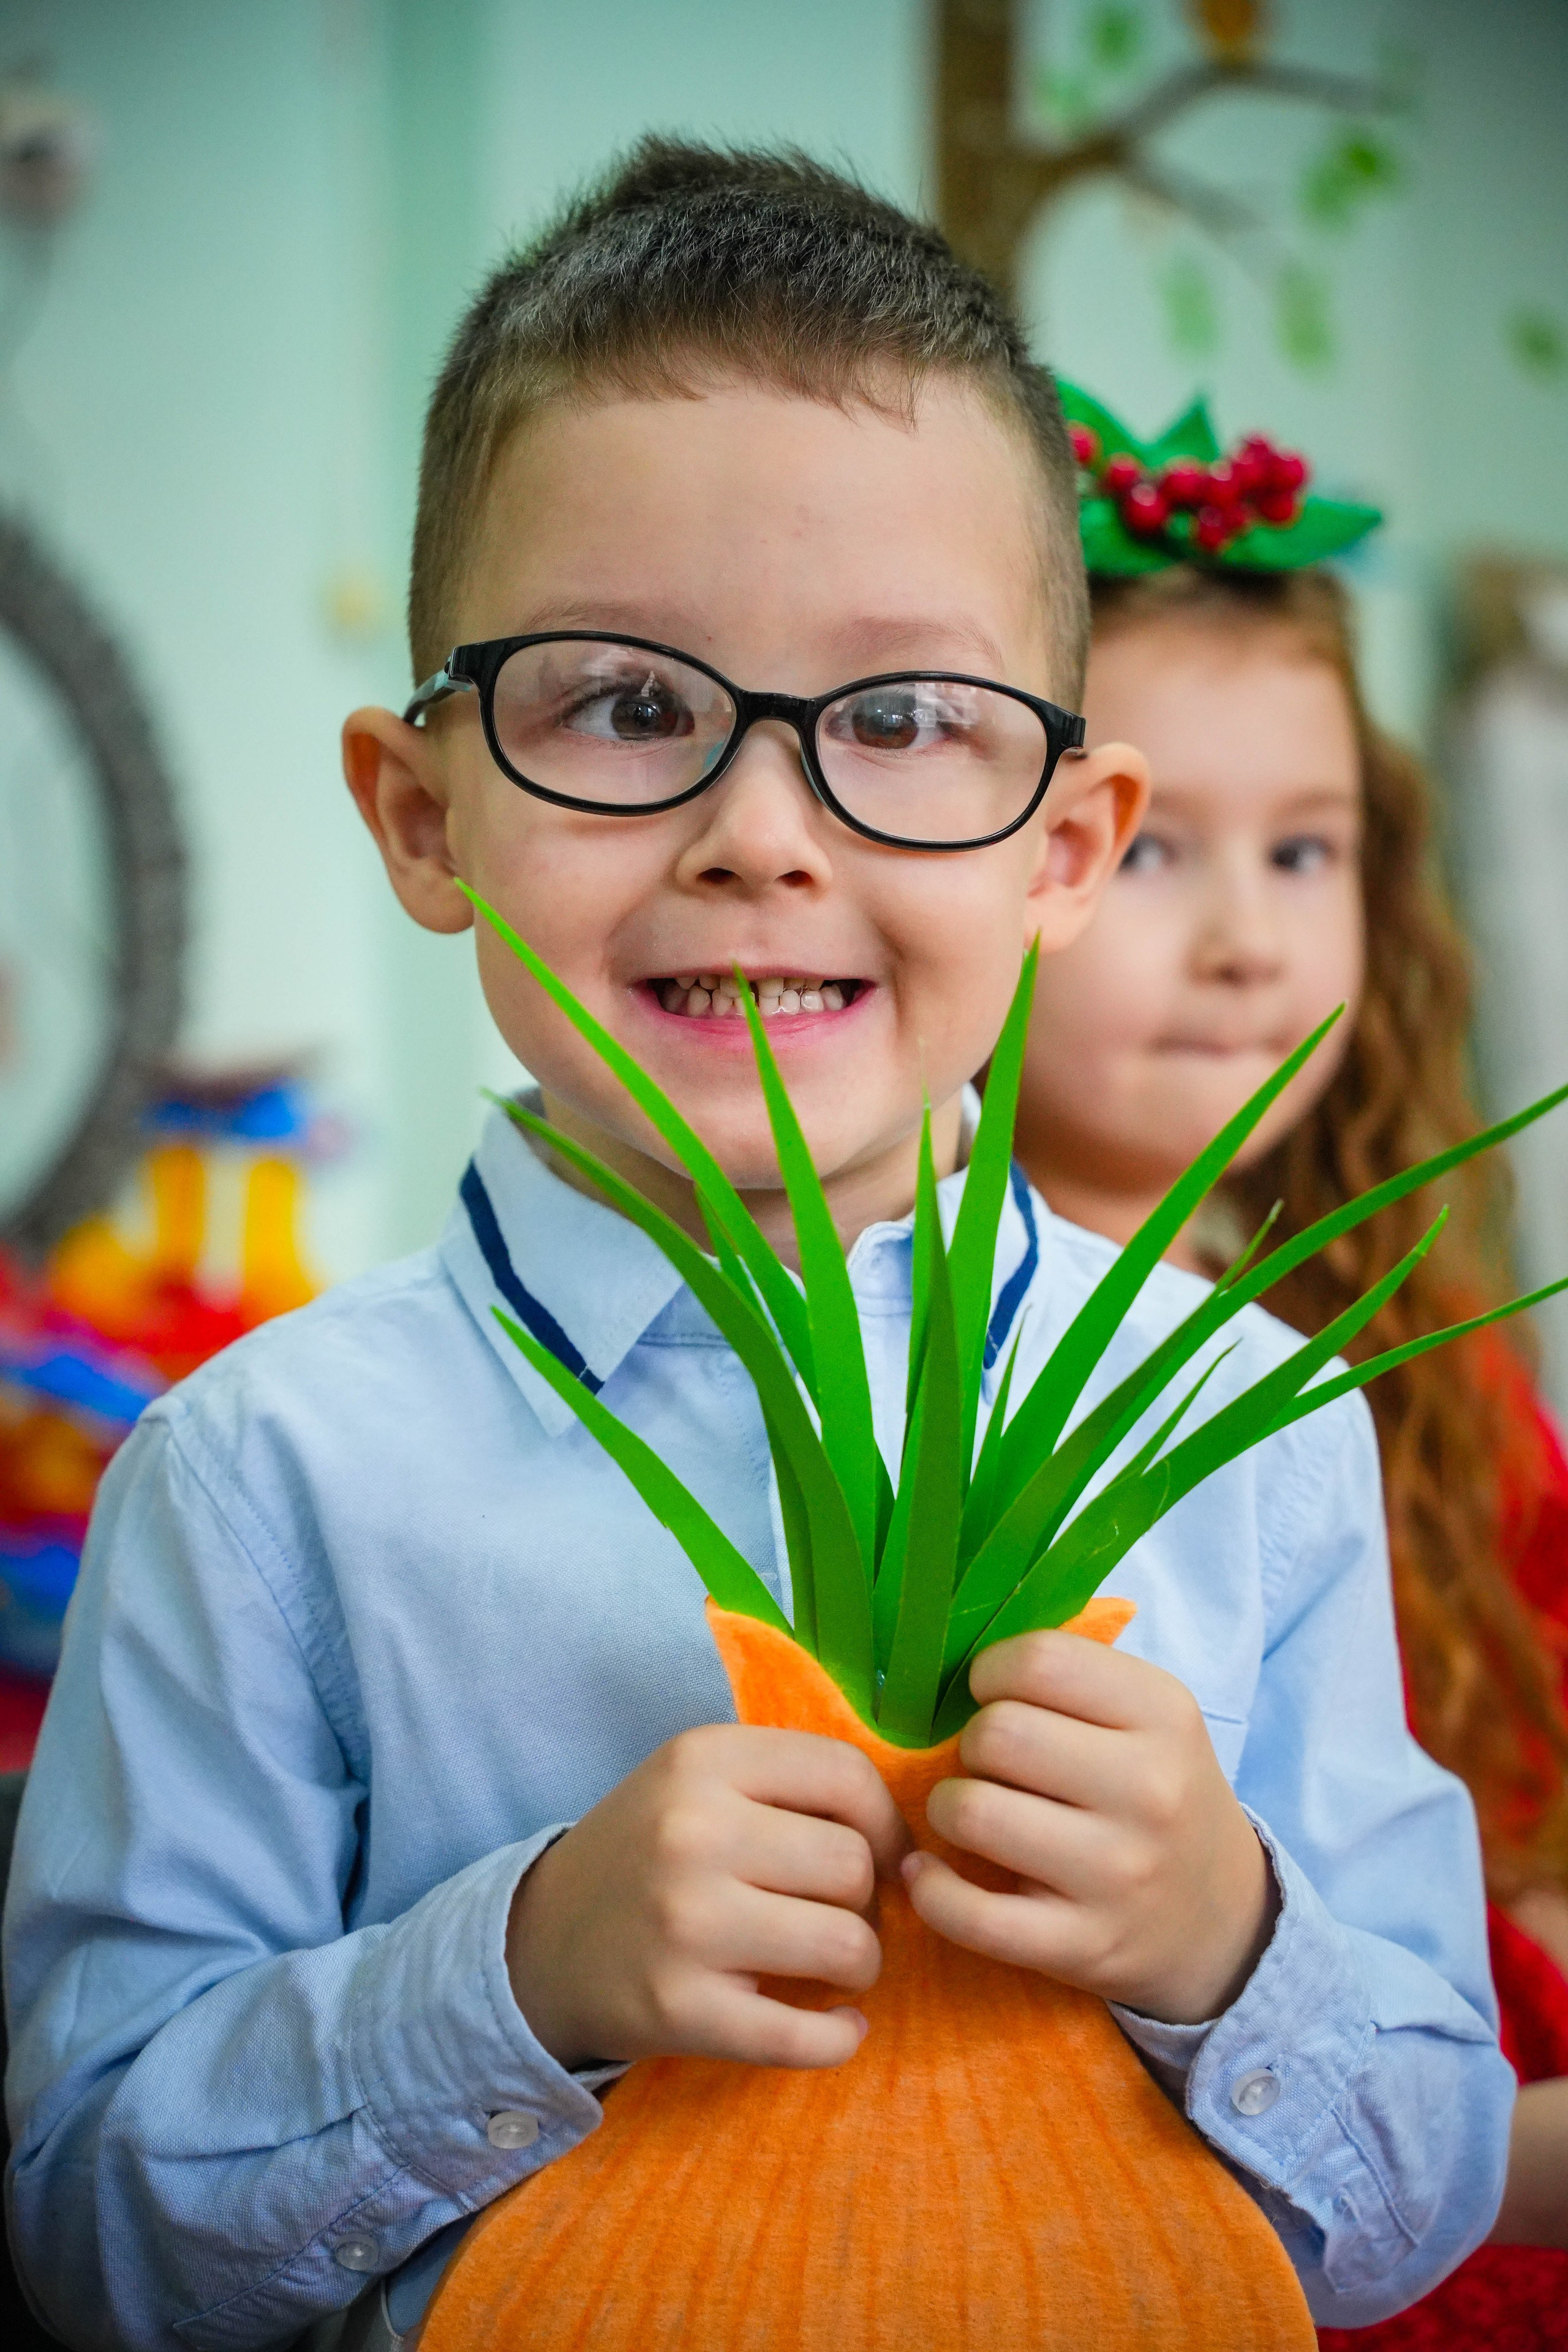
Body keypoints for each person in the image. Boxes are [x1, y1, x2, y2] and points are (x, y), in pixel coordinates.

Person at [4, 147, 1513, 2351]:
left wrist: (1224, 1931)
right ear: (425, 814)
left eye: (903, 721)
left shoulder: (1246, 1421)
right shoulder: (259, 1486)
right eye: (623, 703)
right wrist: (507, 1977)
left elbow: (1429, 2188)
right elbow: (80, 2223)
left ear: (1067, 847)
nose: (763, 837)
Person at [1012, 458, 1568, 2342]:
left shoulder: (1433, 1355)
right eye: (1160, 848)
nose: (1251, 937)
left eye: (1307, 850)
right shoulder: (914, 1363)